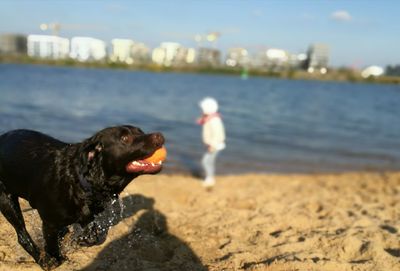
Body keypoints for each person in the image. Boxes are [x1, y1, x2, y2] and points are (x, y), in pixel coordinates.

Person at [197, 97, 226, 187]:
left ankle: (210, 179)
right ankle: (210, 177)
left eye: (203, 108)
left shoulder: (214, 120)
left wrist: (212, 145)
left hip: (215, 145)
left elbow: (218, 134)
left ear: (208, 109)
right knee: (210, 161)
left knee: (205, 161)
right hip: (214, 145)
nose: (202, 110)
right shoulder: (210, 118)